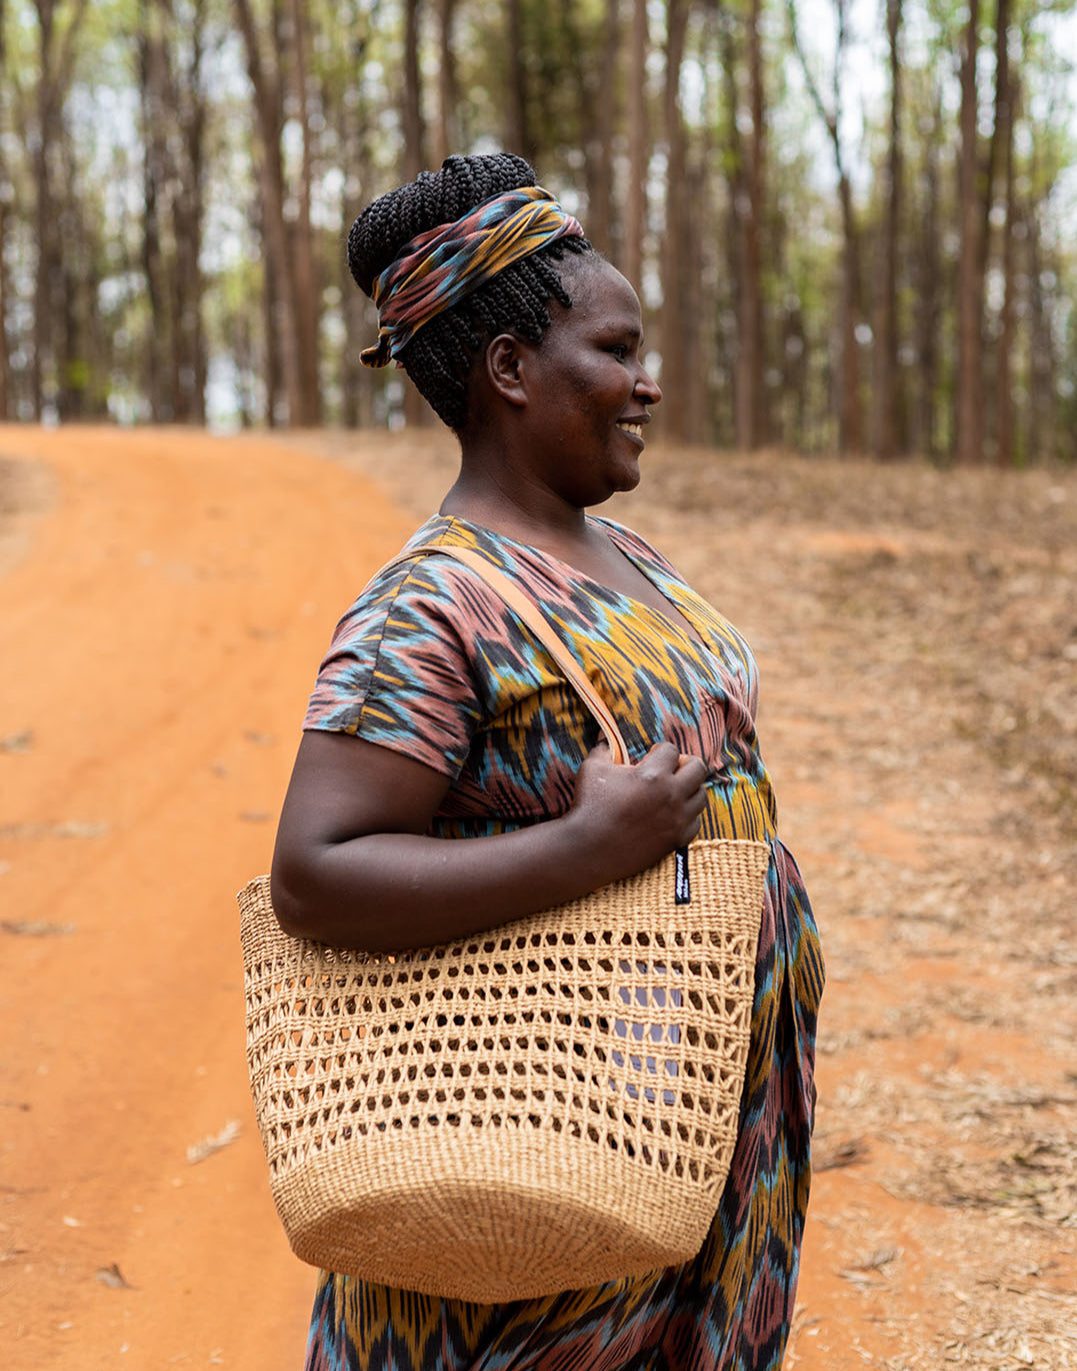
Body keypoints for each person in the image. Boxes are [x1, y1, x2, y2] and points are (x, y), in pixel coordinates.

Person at [270, 152, 824, 1371]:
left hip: (684, 1114)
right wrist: (581, 849)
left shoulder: (628, 552)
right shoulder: (431, 604)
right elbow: (315, 872)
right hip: (538, 1133)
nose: (647, 383)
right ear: (512, 369)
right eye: (617, 350)